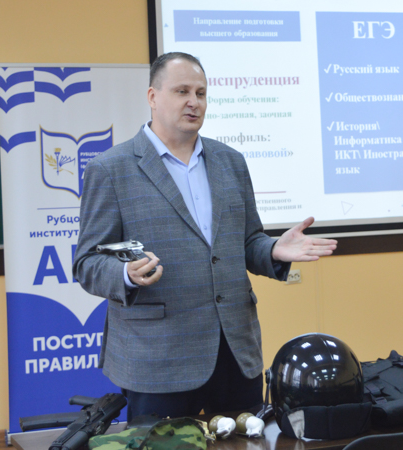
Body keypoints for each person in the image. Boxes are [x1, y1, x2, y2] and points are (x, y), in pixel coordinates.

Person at [73, 52, 337, 421]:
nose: (194, 102)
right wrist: (125, 274)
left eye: (201, 93)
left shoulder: (231, 161)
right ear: (152, 97)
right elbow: (87, 263)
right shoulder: (111, 169)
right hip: (158, 359)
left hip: (234, 352)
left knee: (247, 443)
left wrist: (274, 249)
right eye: (182, 91)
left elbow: (247, 242)